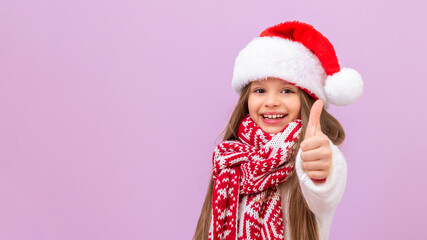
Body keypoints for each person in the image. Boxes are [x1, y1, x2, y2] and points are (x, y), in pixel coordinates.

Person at [194, 21, 363, 240]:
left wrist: (320, 169)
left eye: (286, 90)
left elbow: (324, 189)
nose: (271, 102)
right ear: (247, 98)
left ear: (306, 99)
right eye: (260, 90)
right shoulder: (231, 160)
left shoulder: (309, 154)